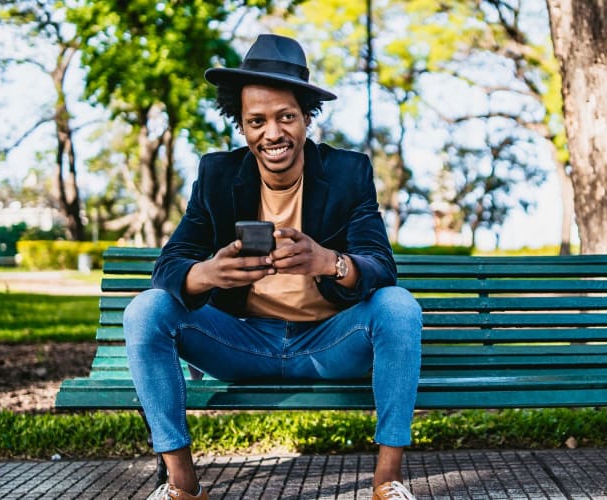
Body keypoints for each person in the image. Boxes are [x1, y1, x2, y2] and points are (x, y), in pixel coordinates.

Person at [123, 33, 422, 500]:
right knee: (145, 310)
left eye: (286, 117)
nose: (273, 133)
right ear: (242, 127)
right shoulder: (217, 174)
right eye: (256, 121)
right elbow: (171, 264)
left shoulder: (349, 172)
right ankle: (182, 487)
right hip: (243, 342)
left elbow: (381, 267)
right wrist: (209, 274)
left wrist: (329, 261)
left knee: (398, 307)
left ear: (306, 118)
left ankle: (387, 483)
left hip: (330, 344)